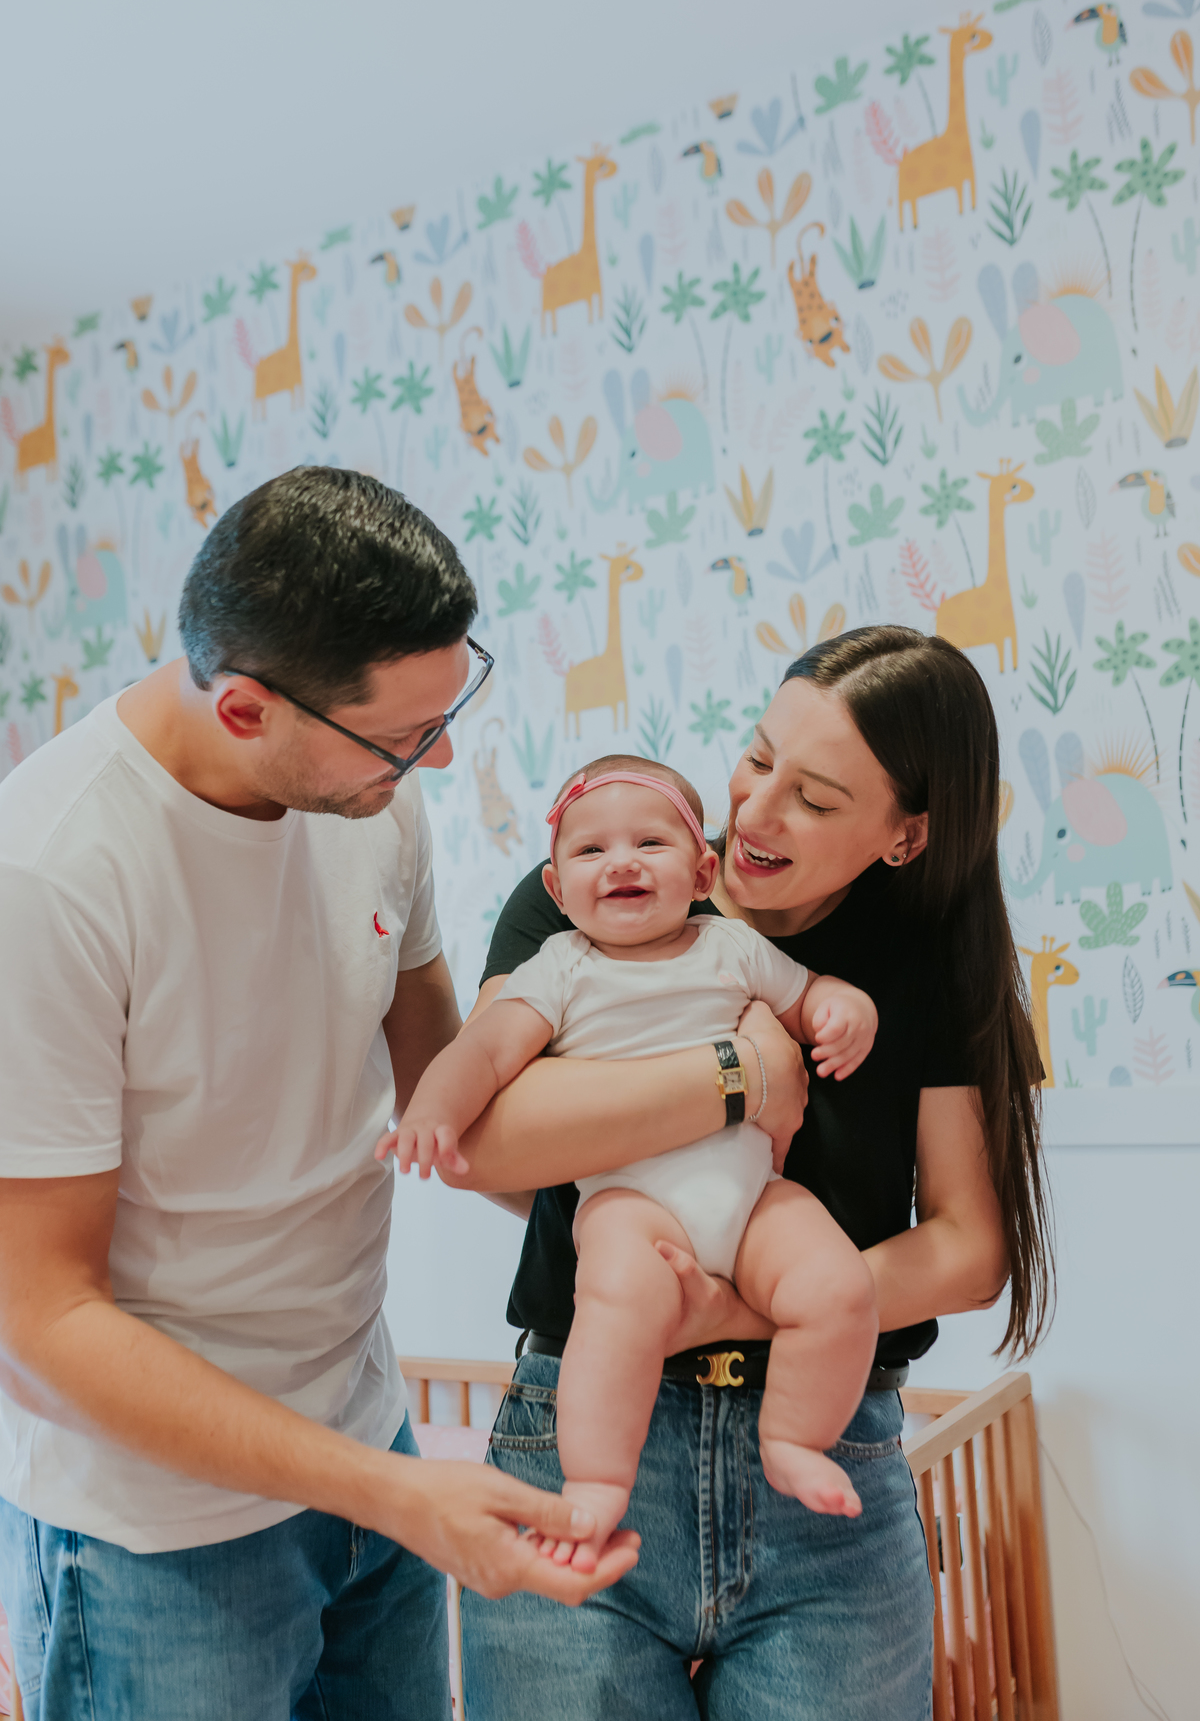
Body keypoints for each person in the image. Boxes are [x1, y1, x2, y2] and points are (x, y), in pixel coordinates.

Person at [0, 468, 637, 1721]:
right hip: (157, 1543)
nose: (438, 757)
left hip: (364, 1447)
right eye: (406, 735)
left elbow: (459, 1109)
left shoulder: (371, 806)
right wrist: (397, 1494)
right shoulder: (51, 879)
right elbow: (41, 1315)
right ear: (243, 709)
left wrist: (678, 1205)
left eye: (449, 710)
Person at [452, 625, 1053, 1721]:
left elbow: (969, 1251)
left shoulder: (926, 961)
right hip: (582, 1445)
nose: (756, 811)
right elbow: (482, 1143)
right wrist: (741, 1074)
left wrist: (728, 1312)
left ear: (907, 836)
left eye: (817, 800)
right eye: (758, 756)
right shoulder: (599, 890)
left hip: (827, 1450)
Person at [377, 755, 880, 1564]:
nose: (622, 861)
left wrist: (841, 1007)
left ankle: (792, 1437)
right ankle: (597, 1481)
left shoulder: (731, 945)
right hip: (629, 1200)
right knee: (615, 1310)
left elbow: (806, 992)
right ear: (557, 888)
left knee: (838, 1287)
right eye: (591, 851)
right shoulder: (559, 969)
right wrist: (433, 1110)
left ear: (703, 870)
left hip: (752, 1195)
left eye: (651, 841)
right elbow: (486, 1053)